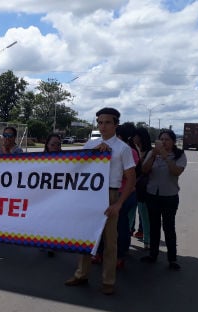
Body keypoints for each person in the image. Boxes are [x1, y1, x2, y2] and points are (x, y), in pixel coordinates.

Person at [64, 107, 135, 295]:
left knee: (110, 241)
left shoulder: (123, 148)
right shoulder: (90, 143)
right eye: (100, 122)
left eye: (107, 122)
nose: (103, 126)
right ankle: (81, 274)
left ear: (116, 124)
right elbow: (78, 168)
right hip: (90, 194)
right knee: (86, 237)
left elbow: (131, 179)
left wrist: (118, 204)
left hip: (110, 195)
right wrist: (94, 153)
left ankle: (108, 281)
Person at [140, 129, 186, 270]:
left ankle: (172, 259)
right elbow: (144, 170)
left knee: (169, 227)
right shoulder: (151, 153)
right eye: (162, 139)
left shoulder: (179, 155)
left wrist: (166, 157)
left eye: (167, 139)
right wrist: (153, 155)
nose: (164, 142)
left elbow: (176, 171)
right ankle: (153, 254)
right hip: (152, 195)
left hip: (169, 196)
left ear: (173, 141)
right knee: (154, 226)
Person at [115, 123, 139, 269]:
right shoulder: (129, 151)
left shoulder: (127, 151)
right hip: (120, 193)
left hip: (124, 193)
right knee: (118, 224)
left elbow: (129, 174)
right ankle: (118, 253)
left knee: (121, 225)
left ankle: (120, 254)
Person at [129, 127, 152, 249]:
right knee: (130, 214)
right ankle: (126, 238)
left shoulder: (149, 152)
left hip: (143, 188)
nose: (133, 138)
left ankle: (147, 240)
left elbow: (143, 169)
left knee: (144, 215)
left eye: (135, 136)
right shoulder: (132, 150)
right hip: (132, 187)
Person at [43, 133, 62, 257]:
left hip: (58, 197)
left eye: (58, 144)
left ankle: (52, 244)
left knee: (55, 221)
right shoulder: (39, 159)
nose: (55, 147)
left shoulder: (68, 159)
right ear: (47, 146)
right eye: (52, 144)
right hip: (43, 196)